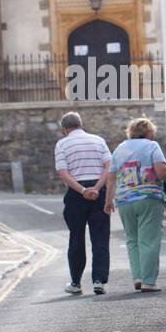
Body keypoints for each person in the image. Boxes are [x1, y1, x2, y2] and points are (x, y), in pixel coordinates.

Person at [104, 117, 166, 293]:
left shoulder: (119, 149)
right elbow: (161, 171)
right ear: (148, 132)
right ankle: (149, 281)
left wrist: (108, 201)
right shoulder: (151, 146)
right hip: (148, 197)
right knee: (148, 240)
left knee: (132, 240)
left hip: (125, 201)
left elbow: (111, 178)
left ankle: (139, 277)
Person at [54, 111, 112, 295]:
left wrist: (83, 191)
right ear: (81, 124)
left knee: (76, 238)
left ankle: (76, 283)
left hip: (76, 194)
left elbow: (63, 174)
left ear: (64, 129)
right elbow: (109, 168)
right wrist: (96, 188)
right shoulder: (99, 140)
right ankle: (98, 281)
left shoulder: (62, 144)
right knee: (100, 238)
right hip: (99, 192)